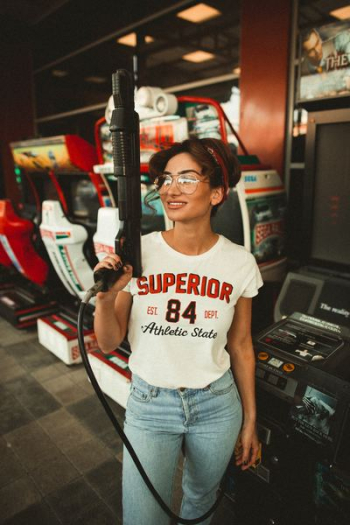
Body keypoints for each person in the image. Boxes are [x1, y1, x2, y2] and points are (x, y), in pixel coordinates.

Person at [93, 137, 263, 525]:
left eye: (187, 178)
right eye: (166, 179)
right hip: (150, 405)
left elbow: (240, 346)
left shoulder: (239, 263)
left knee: (200, 505)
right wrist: (106, 297)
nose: (171, 188)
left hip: (217, 406)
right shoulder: (138, 252)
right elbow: (108, 342)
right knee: (142, 517)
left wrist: (250, 420)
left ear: (217, 192)